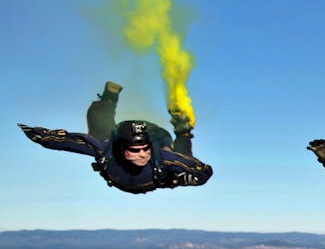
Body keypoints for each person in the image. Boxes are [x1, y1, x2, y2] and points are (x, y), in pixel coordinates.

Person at [16, 81, 212, 193]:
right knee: (98, 125)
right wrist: (41, 136)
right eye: (135, 151)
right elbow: (68, 141)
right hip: (119, 137)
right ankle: (109, 97)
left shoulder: (161, 157)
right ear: (121, 149)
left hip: (158, 136)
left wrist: (191, 179)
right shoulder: (105, 148)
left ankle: (183, 129)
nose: (143, 155)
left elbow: (202, 170)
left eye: (145, 149)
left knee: (177, 158)